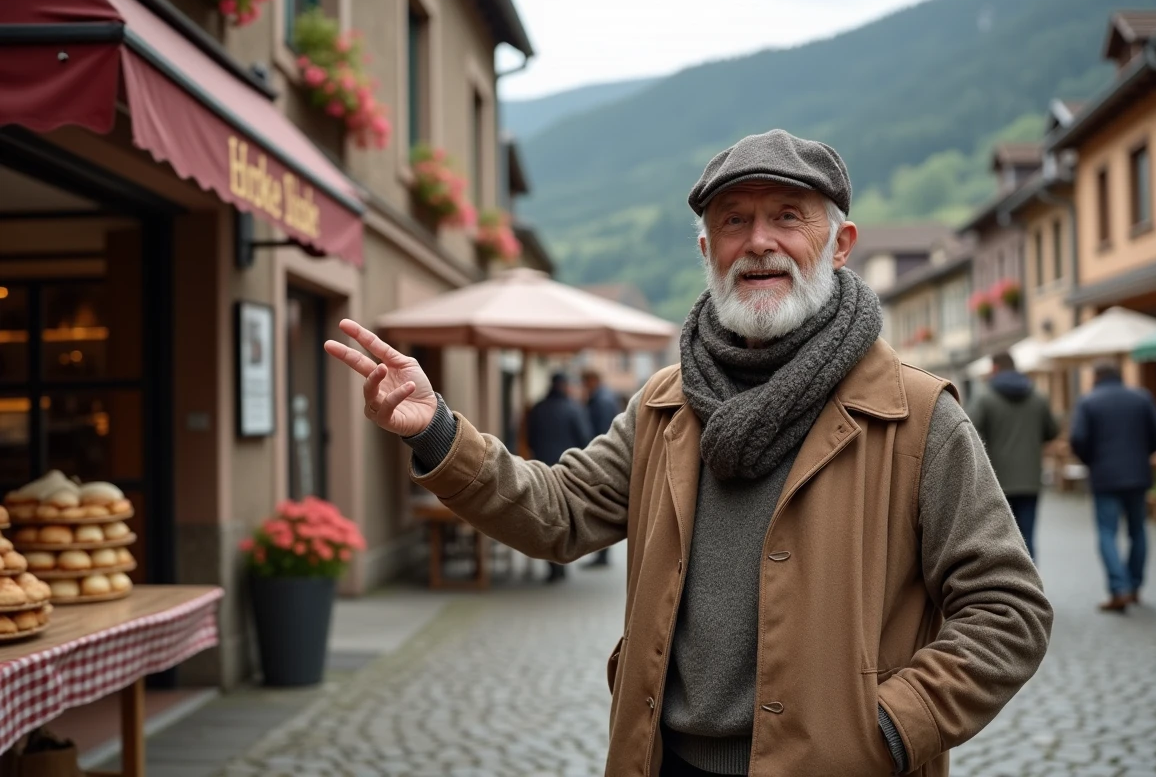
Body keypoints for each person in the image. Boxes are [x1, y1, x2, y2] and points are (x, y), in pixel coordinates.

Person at [326, 129, 1052, 777]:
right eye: (734, 221)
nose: (759, 241)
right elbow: (557, 512)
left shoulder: (916, 414)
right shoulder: (665, 405)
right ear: (708, 250)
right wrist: (436, 433)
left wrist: (888, 730)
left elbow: (1008, 611)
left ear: (840, 243)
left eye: (787, 217)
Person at [1069, 359, 1156, 613]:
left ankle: (1119, 589)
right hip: (1138, 474)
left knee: (1107, 532)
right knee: (1138, 531)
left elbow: (1078, 438)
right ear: (1120, 375)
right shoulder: (1141, 398)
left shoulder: (1088, 401)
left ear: (1096, 377)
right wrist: (1145, 452)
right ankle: (1134, 587)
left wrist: (1091, 460)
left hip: (1105, 477)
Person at [967, 351, 1058, 560]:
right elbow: (1052, 431)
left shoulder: (985, 397)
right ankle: (1030, 588)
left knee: (1000, 539)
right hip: (1030, 479)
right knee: (1028, 537)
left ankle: (1006, 587)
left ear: (995, 368)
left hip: (996, 480)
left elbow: (968, 432)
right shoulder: (1038, 396)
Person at [526, 372, 593, 582]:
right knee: (565, 517)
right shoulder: (575, 409)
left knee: (545, 519)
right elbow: (586, 439)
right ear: (564, 386)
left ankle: (552, 565)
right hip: (567, 471)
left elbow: (529, 439)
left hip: (541, 470)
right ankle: (563, 561)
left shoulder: (537, 409)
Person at [582, 369, 622, 568]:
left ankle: (602, 555)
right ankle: (601, 555)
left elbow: (602, 430)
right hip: (604, 457)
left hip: (603, 458)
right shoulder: (603, 398)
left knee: (603, 505)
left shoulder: (601, 400)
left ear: (592, 380)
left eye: (585, 382)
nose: (584, 387)